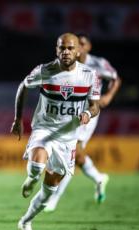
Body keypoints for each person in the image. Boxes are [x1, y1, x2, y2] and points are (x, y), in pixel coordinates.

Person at [11, 33, 100, 230]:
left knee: (49, 190)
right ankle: (32, 177)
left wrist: (87, 113)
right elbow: (23, 86)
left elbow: (95, 106)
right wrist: (17, 119)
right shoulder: (45, 70)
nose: (66, 52)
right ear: (56, 49)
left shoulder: (89, 75)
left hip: (68, 138)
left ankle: (26, 221)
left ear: (78, 51)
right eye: (62, 48)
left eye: (70, 48)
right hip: (44, 128)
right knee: (38, 165)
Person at [44, 33, 122, 212]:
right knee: (76, 155)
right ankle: (99, 178)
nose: (78, 48)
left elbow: (116, 79)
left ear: (87, 47)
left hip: (88, 114)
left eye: (83, 44)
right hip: (70, 113)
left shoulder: (98, 64)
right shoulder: (68, 64)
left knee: (72, 152)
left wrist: (108, 97)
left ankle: (54, 198)